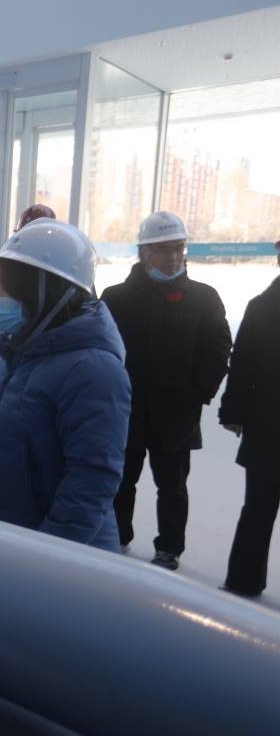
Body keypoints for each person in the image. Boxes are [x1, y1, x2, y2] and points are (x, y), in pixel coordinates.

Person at [0, 219, 131, 550]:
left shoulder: (95, 371)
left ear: (44, 293)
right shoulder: (18, 354)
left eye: (7, 289)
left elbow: (89, 485)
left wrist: (42, 560)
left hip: (61, 560)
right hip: (8, 541)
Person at [101, 211, 231, 570]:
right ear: (143, 253)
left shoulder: (203, 299)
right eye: (163, 249)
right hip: (126, 411)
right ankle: (116, 536)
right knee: (121, 480)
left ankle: (169, 548)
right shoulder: (116, 298)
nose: (173, 256)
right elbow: (102, 349)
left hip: (177, 415)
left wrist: (196, 393)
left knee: (172, 488)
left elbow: (218, 351)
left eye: (178, 248)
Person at [217, 238, 280, 597]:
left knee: (257, 507)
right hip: (268, 425)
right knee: (258, 507)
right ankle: (243, 579)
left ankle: (244, 580)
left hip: (266, 426)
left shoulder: (263, 305)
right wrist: (233, 411)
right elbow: (242, 364)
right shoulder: (262, 306)